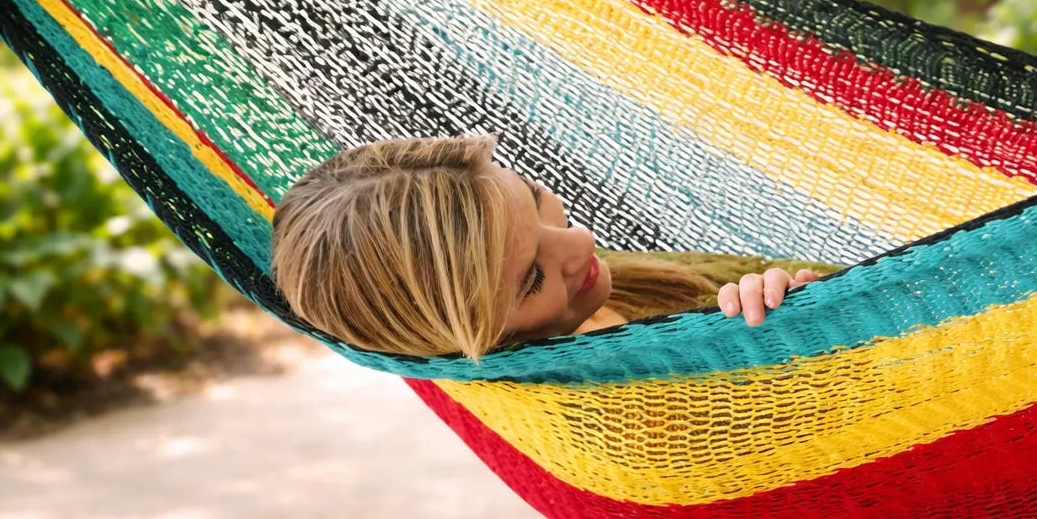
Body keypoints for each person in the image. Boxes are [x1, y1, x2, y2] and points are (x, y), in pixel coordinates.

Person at [269, 135, 826, 359]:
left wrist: (810, 299)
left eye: (537, 201)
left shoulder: (608, 285)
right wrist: (805, 339)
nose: (581, 242)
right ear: (468, 335)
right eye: (532, 278)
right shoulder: (635, 391)